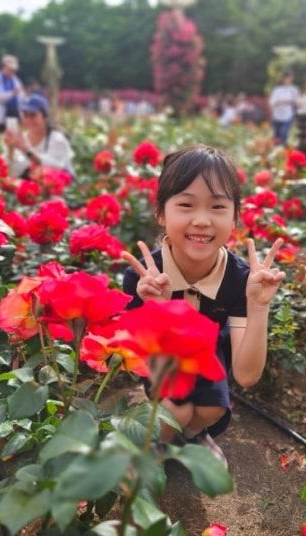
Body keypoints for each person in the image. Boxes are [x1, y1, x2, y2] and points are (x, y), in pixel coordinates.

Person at [120, 145, 286, 467]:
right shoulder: (144, 279)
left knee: (213, 409)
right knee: (175, 410)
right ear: (161, 213)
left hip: (210, 359)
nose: (201, 220)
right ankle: (156, 448)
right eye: (185, 204)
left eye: (217, 206)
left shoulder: (239, 280)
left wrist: (258, 306)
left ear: (234, 217)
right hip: (163, 362)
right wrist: (157, 311)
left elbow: (247, 375)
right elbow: (134, 359)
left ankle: (193, 435)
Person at [3, 93, 74, 178]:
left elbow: (54, 167)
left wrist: (25, 149)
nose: (28, 120)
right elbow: (13, 173)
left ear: (45, 116)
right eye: (25, 115)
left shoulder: (57, 139)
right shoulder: (23, 138)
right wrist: (11, 149)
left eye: (33, 115)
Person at [0, 54, 23, 132]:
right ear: (3, 67)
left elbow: (21, 96)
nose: (12, 72)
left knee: (12, 136)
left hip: (13, 113)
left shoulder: (16, 80)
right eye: (10, 69)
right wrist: (12, 93)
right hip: (1, 113)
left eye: (14, 70)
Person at [269, 71, 299, 145]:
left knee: (284, 133)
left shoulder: (294, 90)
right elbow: (272, 103)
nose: (288, 80)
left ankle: (283, 151)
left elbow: (296, 102)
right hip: (277, 116)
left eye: (290, 78)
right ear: (283, 79)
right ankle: (276, 153)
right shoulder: (277, 90)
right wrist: (279, 102)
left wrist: (288, 102)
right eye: (286, 78)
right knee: (276, 137)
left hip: (288, 116)